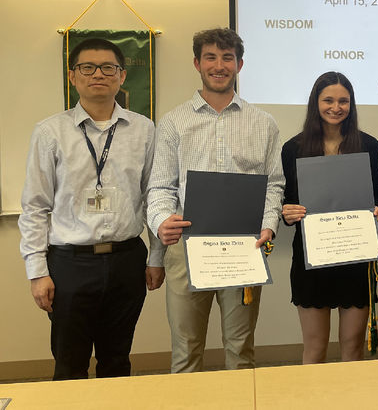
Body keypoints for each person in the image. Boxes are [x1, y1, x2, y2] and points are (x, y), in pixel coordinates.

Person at [18, 38, 165, 380]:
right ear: (73, 76)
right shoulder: (50, 132)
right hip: (70, 262)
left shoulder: (144, 129)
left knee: (117, 361)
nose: (98, 74)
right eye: (88, 67)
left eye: (108, 67)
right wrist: (37, 271)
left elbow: (154, 196)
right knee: (70, 363)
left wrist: (156, 257)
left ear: (122, 76)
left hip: (127, 260)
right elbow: (35, 206)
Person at [147, 27, 284, 372]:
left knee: (240, 351)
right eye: (211, 57)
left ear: (239, 64)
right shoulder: (173, 123)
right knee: (186, 351)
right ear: (197, 63)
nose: (219, 65)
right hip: (187, 248)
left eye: (227, 58)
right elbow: (161, 187)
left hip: (243, 247)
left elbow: (273, 185)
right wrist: (161, 220)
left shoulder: (264, 123)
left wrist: (269, 225)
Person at [280, 72, 378, 364]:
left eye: (343, 101)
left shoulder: (368, 146)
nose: (336, 107)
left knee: (353, 349)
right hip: (313, 259)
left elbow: (375, 195)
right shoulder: (294, 148)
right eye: (328, 100)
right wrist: (288, 213)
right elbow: (285, 201)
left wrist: (375, 209)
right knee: (315, 349)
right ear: (316, 102)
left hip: (355, 257)